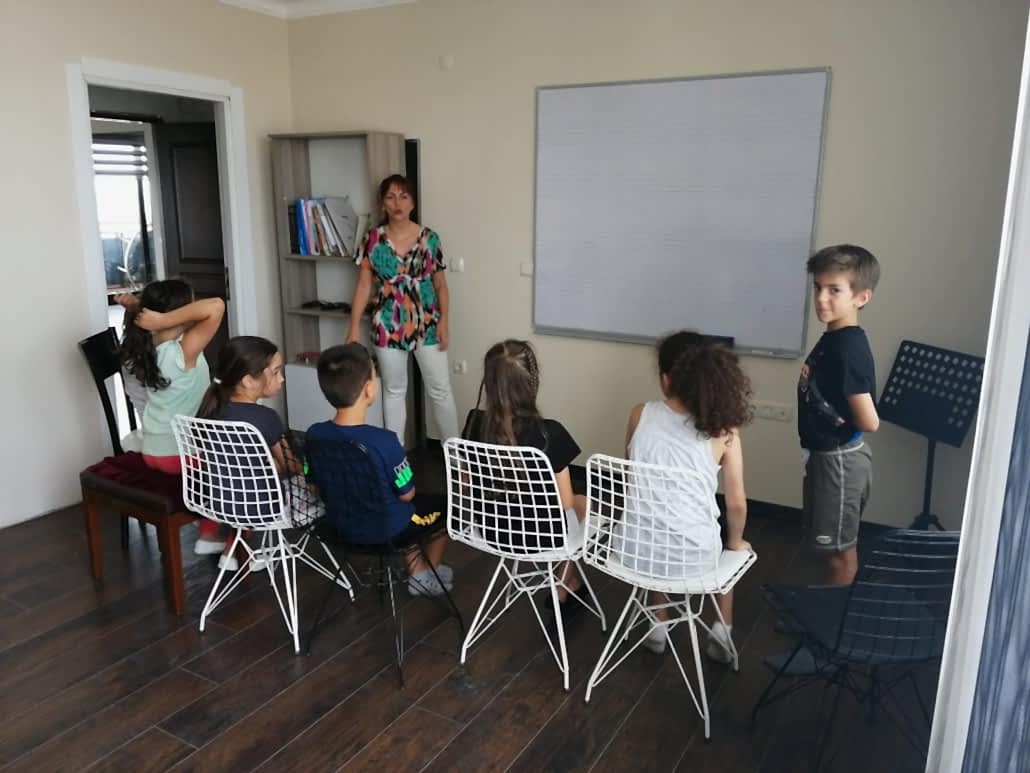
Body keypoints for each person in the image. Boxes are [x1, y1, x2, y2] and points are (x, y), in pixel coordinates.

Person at [618, 332, 753, 662]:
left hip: (631, 551)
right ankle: (721, 626)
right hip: (695, 559)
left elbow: (631, 477)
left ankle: (658, 622)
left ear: (665, 380)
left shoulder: (639, 413)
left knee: (653, 516)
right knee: (732, 542)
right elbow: (736, 502)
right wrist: (736, 541)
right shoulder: (724, 430)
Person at [305, 343, 454, 596]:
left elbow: (312, 485)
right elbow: (407, 494)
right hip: (387, 530)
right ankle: (422, 573)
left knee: (398, 508)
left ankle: (424, 570)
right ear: (369, 389)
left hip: (338, 527)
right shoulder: (384, 441)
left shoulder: (314, 435)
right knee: (446, 506)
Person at [461, 339, 585, 609]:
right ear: (532, 381)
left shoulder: (474, 424)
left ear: (489, 382)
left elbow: (466, 482)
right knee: (583, 503)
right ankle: (563, 585)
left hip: (491, 529)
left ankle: (570, 582)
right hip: (541, 536)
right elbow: (565, 503)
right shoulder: (549, 433)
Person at [345, 174, 459, 447]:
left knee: (440, 390)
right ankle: (395, 458)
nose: (397, 203)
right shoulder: (372, 240)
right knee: (394, 391)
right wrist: (353, 327)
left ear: (413, 202)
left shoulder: (430, 239)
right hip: (387, 323)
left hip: (427, 323)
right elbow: (363, 286)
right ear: (382, 203)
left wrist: (444, 323)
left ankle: (457, 459)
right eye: (391, 197)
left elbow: (441, 285)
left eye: (403, 197)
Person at [117, 279, 224, 552]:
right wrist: (163, 319)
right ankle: (215, 537)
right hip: (179, 455)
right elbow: (215, 306)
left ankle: (211, 532)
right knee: (239, 462)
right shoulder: (182, 352)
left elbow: (193, 315)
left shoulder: (148, 345)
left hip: (153, 447)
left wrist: (144, 311)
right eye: (190, 306)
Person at [797, 244, 880, 586]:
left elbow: (870, 421)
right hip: (826, 456)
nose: (821, 298)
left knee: (839, 555)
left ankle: (835, 617)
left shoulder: (847, 348)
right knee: (828, 548)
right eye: (818, 287)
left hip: (840, 461)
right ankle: (827, 607)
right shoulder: (834, 338)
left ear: (861, 298)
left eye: (834, 290)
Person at [194, 335, 297, 571]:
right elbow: (290, 467)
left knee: (246, 482)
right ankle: (245, 552)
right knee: (303, 484)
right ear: (248, 381)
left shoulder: (211, 409)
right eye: (275, 372)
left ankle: (231, 551)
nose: (281, 378)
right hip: (261, 506)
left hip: (219, 501)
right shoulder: (266, 418)